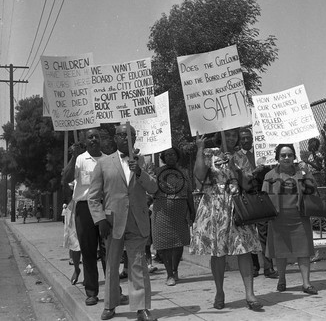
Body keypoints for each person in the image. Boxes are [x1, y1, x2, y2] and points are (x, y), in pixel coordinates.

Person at [88, 124, 158, 321]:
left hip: (137, 220)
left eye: (131, 135)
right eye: (122, 135)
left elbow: (153, 187)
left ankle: (141, 308)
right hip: (112, 222)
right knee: (112, 265)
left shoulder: (143, 161)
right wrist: (100, 218)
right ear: (115, 139)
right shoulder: (103, 163)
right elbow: (93, 197)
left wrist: (139, 172)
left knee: (138, 264)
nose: (127, 138)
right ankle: (110, 305)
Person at [190, 129, 263, 311]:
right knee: (218, 252)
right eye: (227, 134)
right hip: (214, 204)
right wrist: (200, 149)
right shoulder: (210, 153)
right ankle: (219, 291)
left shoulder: (240, 157)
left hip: (237, 206)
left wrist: (234, 166)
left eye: (234, 135)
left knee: (244, 249)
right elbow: (199, 175)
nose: (231, 138)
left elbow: (247, 184)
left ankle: (250, 293)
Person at [261, 144, 319, 295]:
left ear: (294, 157)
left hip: (300, 217)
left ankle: (306, 284)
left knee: (303, 251)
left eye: (289, 155)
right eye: (283, 155)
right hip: (278, 219)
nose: (286, 158)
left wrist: (307, 171)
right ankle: (281, 280)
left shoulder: (302, 172)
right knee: (280, 252)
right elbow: (264, 197)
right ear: (278, 158)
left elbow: (313, 188)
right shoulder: (269, 176)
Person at [62, 128, 107, 306]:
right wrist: (74, 156)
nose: (94, 139)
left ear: (101, 140)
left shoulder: (108, 160)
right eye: (90, 137)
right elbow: (65, 178)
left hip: (104, 208)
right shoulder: (80, 159)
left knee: (108, 252)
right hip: (84, 208)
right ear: (85, 141)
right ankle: (91, 292)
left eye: (97, 136)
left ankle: (113, 290)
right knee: (88, 252)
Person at [233, 128, 278, 279]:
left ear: (253, 138)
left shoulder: (262, 152)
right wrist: (254, 172)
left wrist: (266, 168)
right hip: (246, 197)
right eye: (243, 138)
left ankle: (269, 267)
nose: (245, 140)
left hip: (262, 195)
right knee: (250, 232)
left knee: (264, 232)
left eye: (248, 137)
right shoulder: (235, 157)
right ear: (239, 140)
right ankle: (253, 267)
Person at [152, 147, 195, 286]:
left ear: (177, 156)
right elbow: (151, 189)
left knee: (178, 242)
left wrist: (192, 210)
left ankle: (175, 269)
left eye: (173, 154)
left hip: (180, 211)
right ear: (163, 157)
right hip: (162, 212)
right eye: (167, 155)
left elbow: (189, 192)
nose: (170, 157)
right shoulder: (157, 172)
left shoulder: (184, 172)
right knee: (164, 244)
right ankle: (169, 274)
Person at [63, 198, 82, 285]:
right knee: (75, 243)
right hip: (75, 206)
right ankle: (76, 269)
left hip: (94, 203)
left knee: (88, 244)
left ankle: (89, 276)